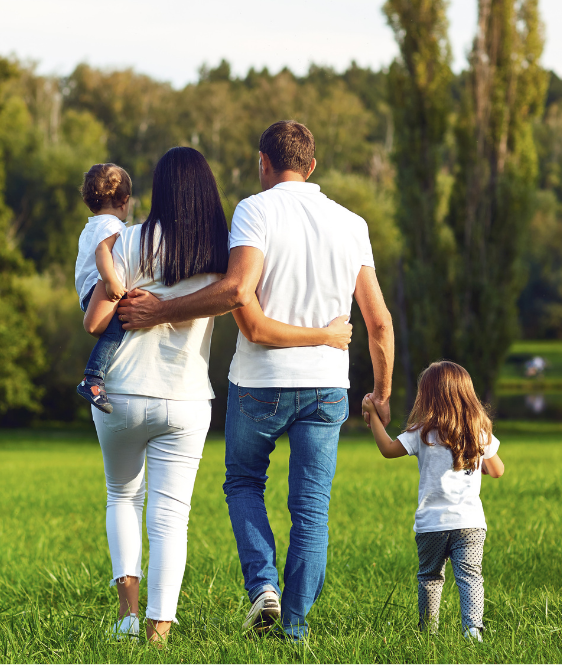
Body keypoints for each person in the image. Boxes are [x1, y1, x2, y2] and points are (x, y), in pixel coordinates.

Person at [116, 120, 395, 640]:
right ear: (312, 166)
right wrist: (381, 392)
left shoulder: (255, 210)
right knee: (311, 509)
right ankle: (294, 628)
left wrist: (160, 311)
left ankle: (263, 588)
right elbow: (378, 321)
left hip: (259, 382)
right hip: (327, 386)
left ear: (262, 162)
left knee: (244, 482)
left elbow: (238, 290)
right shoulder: (352, 223)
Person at [361, 360, 505, 642]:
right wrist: (478, 463)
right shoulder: (479, 431)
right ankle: (473, 631)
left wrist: (373, 417)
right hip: (470, 524)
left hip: (431, 525)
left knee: (429, 578)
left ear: (426, 395)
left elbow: (388, 450)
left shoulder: (422, 431)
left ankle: (428, 633)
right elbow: (497, 470)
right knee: (470, 577)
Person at [74, 163, 132, 414]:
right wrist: (110, 281)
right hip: (99, 289)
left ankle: (98, 377)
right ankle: (93, 378)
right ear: (125, 200)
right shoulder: (113, 226)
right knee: (118, 327)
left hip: (87, 294)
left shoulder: (92, 226)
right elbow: (102, 252)